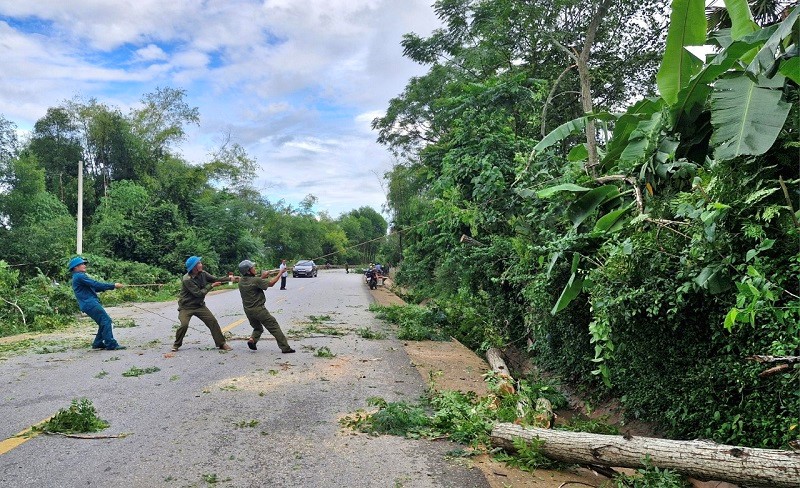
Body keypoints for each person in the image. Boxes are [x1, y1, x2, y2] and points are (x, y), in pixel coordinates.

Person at [173, 256, 235, 352]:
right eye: (199, 263)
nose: (201, 265)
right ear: (194, 267)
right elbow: (198, 293)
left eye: (200, 263)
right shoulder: (187, 279)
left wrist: (230, 279)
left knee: (212, 321)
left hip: (199, 306)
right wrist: (211, 286)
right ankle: (176, 344)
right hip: (186, 307)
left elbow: (216, 279)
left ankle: (221, 343)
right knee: (184, 325)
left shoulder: (203, 274)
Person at [68, 256, 126, 351]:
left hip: (87, 304)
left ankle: (98, 343)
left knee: (102, 322)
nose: (84, 265)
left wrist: (108, 288)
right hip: (90, 303)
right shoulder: (80, 276)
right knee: (106, 321)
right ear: (75, 267)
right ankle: (111, 344)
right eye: (82, 264)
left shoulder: (77, 277)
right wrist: (113, 285)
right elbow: (95, 284)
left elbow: (94, 288)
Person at [237, 260, 295, 353]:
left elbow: (254, 283)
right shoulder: (256, 280)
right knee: (274, 326)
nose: (254, 269)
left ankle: (252, 340)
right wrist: (280, 272)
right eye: (252, 268)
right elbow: (271, 283)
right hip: (259, 310)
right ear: (248, 271)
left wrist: (262, 277)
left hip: (248, 310)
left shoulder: (241, 282)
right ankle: (285, 348)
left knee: (258, 328)